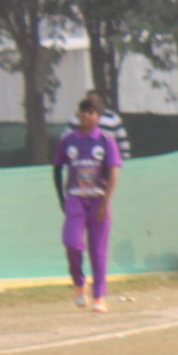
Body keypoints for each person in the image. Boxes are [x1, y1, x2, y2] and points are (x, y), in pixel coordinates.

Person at [53, 93, 121, 312]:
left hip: (98, 200)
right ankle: (79, 283)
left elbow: (113, 173)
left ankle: (99, 297)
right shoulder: (69, 140)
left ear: (98, 116)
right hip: (75, 197)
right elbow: (56, 167)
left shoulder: (105, 141)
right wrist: (62, 198)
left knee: (98, 251)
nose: (85, 116)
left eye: (90, 112)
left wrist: (104, 203)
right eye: (82, 112)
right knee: (72, 242)